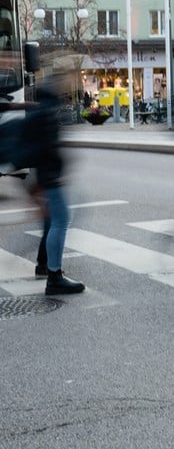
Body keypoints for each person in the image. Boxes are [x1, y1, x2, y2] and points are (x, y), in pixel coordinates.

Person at [23, 76, 85, 294]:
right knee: (60, 221)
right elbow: (50, 148)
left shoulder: (37, 112)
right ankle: (54, 275)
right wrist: (57, 172)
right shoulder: (47, 115)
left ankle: (48, 268)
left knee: (54, 221)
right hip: (51, 177)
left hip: (43, 176)